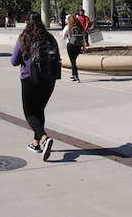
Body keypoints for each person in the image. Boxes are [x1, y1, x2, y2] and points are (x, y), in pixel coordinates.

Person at [10, 13, 58, 161]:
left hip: (29, 78)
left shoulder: (24, 37)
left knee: (29, 113)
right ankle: (36, 143)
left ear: (27, 23)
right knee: (39, 110)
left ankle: (43, 138)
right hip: (49, 78)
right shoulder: (49, 37)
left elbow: (14, 61)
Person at [61, 14, 86, 82]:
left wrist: (67, 36)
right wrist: (84, 47)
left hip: (70, 45)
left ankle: (76, 76)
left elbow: (63, 37)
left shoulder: (68, 27)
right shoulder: (80, 27)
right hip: (78, 46)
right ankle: (73, 75)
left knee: (73, 62)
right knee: (73, 60)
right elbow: (83, 38)